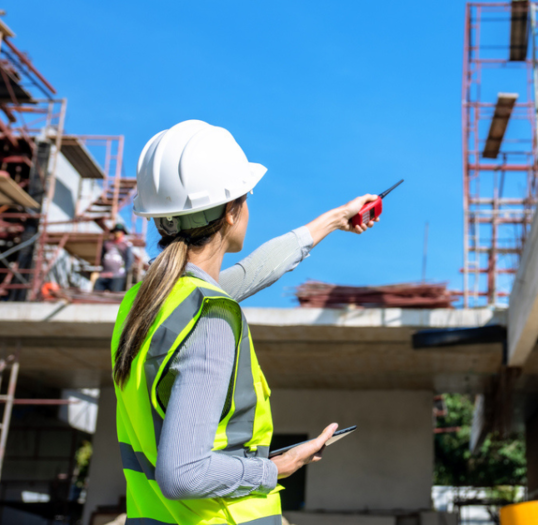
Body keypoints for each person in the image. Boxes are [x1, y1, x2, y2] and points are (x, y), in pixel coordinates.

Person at [111, 120, 379, 524]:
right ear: (232, 212)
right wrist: (278, 467)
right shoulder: (209, 317)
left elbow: (253, 271)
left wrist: (336, 219)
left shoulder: (146, 302)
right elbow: (183, 474)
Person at [94, 223, 132, 292]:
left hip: (117, 275)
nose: (117, 233)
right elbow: (102, 256)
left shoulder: (126, 245)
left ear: (123, 233)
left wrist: (125, 271)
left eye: (119, 231)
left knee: (114, 294)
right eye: (116, 231)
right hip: (104, 273)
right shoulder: (107, 243)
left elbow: (129, 259)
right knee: (97, 292)